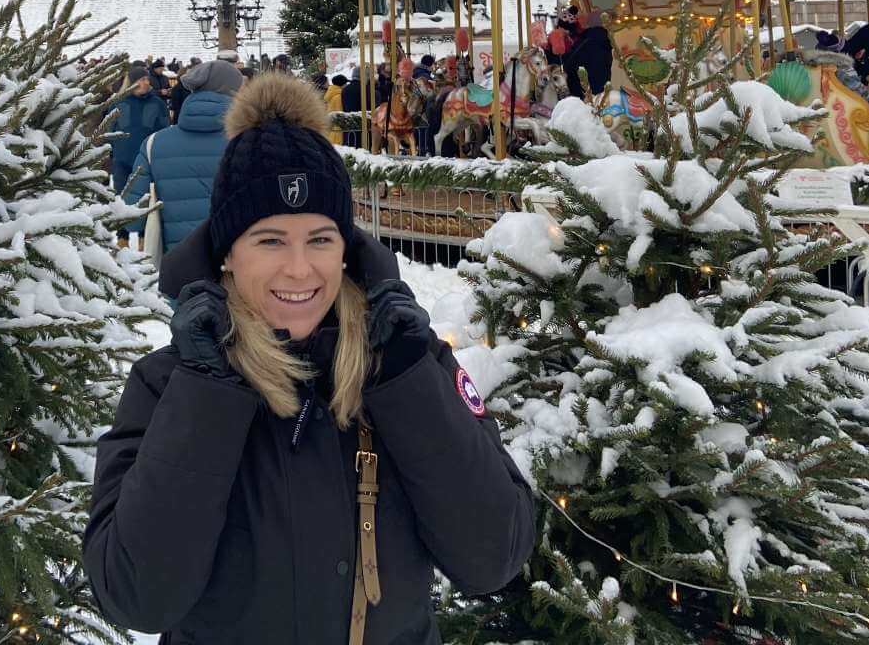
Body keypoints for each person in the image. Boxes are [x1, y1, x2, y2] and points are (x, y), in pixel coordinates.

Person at [83, 75, 533, 643]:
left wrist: (409, 383)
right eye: (270, 240)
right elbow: (135, 596)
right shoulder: (168, 383)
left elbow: (494, 557)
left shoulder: (408, 363)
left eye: (320, 239)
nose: (299, 270)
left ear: (346, 250)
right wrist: (205, 395)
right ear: (226, 254)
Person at [124, 60, 245, 257]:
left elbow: (132, 217)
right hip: (237, 261)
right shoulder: (251, 140)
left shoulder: (154, 144)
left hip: (179, 263)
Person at [110, 63, 170, 192]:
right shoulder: (118, 103)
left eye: (147, 79)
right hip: (122, 162)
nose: (147, 82)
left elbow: (164, 131)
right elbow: (109, 131)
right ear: (132, 83)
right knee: (121, 198)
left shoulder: (157, 103)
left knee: (144, 198)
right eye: (142, 79)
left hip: (147, 161)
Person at [563, 10, 613, 99]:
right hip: (604, 89)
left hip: (585, 92)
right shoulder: (608, 40)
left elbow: (569, 65)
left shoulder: (585, 41)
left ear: (589, 22)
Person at [324, 72, 346, 145]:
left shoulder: (330, 93)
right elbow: (340, 113)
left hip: (331, 129)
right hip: (338, 131)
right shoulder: (338, 96)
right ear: (342, 84)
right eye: (345, 83)